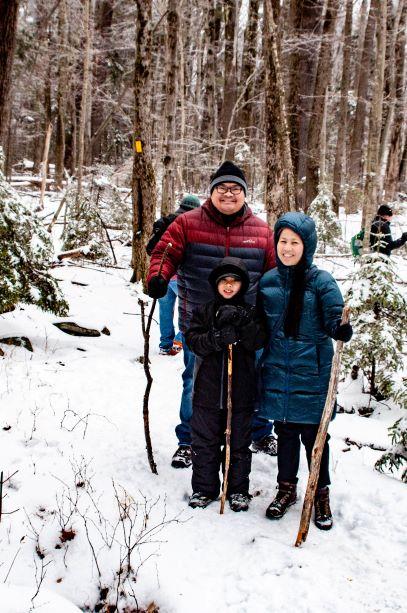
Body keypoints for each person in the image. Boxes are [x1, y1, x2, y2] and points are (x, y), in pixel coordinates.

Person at [147, 161, 277, 469]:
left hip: (247, 325)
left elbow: (274, 273)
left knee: (253, 378)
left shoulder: (261, 230)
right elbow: (166, 251)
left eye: (235, 189)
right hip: (200, 322)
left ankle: (258, 431)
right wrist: (159, 276)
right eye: (222, 188)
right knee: (195, 380)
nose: (229, 194)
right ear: (212, 191)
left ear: (245, 193)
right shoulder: (188, 223)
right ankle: (189, 440)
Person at [258, 212, 352, 530]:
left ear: (307, 245)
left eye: (294, 243)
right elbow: (260, 326)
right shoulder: (269, 281)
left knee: (315, 437)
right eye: (283, 241)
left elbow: (333, 314)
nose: (287, 248)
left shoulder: (321, 280)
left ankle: (320, 492)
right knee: (284, 434)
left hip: (311, 374)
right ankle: (286, 489)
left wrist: (340, 326)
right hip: (277, 372)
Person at [185, 257, 267, 511]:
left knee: (239, 444)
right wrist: (217, 337)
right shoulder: (205, 311)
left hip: (240, 395)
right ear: (216, 284)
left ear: (242, 285)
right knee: (205, 443)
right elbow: (194, 340)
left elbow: (259, 340)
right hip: (207, 395)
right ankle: (204, 488)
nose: (229, 286)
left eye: (235, 281)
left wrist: (242, 326)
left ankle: (237, 489)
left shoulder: (250, 312)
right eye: (224, 281)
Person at [147, 195, 201, 356]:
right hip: (181, 276)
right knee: (192, 310)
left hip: (163, 275)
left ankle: (165, 344)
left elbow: (151, 248)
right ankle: (179, 340)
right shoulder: (192, 224)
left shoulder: (166, 221)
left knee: (165, 310)